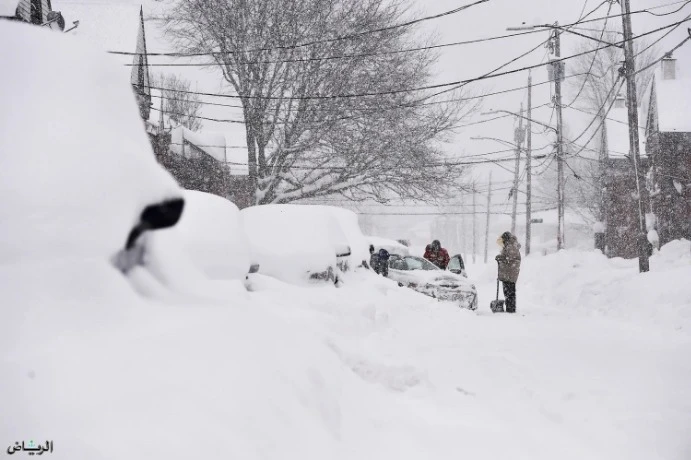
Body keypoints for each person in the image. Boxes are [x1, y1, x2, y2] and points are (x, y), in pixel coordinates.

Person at [495, 231, 521, 313]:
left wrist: (501, 258)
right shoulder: (509, 245)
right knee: (508, 291)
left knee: (510, 292)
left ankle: (511, 309)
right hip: (508, 273)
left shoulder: (511, 246)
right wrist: (501, 257)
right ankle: (510, 308)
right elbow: (507, 257)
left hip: (510, 274)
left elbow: (509, 258)